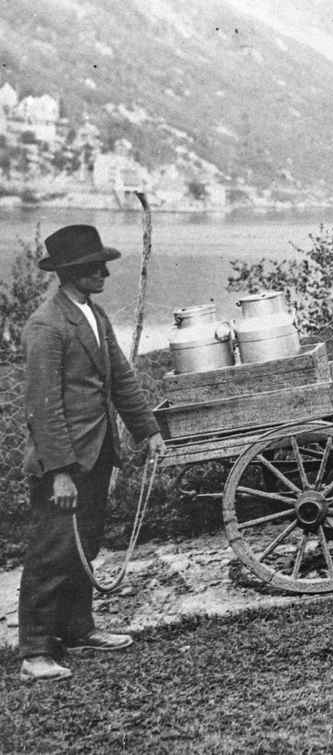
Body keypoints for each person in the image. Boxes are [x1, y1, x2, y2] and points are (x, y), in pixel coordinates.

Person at [17, 224, 167, 683]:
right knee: (52, 553)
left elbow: (121, 379)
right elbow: (43, 408)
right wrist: (60, 472)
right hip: (62, 461)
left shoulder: (94, 315)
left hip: (98, 454)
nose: (104, 271)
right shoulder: (46, 325)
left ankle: (78, 630)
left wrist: (150, 432)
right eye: (94, 265)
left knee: (86, 545)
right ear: (71, 271)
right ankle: (36, 652)